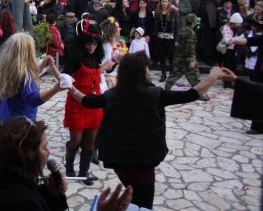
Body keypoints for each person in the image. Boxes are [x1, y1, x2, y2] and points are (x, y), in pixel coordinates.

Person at [70, 52, 224, 209]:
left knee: (133, 197)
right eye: (147, 68)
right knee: (144, 204)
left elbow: (86, 101)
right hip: (143, 163)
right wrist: (213, 76)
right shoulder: (155, 95)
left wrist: (70, 86)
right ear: (141, 72)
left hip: (118, 161)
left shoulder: (110, 95)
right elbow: (190, 95)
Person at [0, 116, 133, 211]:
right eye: (44, 148)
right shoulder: (21, 203)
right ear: (28, 155)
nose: (49, 153)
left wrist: (50, 193)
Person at [63, 19, 104, 185]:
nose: (91, 47)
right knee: (75, 140)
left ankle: (83, 172)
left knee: (90, 141)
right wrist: (74, 91)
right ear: (82, 42)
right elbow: (65, 80)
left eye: (94, 43)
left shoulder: (97, 58)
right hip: (77, 104)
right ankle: (69, 167)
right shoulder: (75, 58)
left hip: (95, 105)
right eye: (88, 43)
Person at [0, 33, 64, 124]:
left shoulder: (8, 68)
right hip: (21, 122)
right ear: (28, 52)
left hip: (7, 117)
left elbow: (22, 84)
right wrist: (55, 89)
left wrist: (41, 67)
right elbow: (33, 100)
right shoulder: (25, 75)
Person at [164, 14, 210, 100]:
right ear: (193, 22)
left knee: (173, 76)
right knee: (194, 78)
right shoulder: (191, 33)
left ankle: (166, 91)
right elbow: (190, 48)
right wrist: (191, 60)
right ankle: (200, 95)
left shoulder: (182, 30)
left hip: (178, 59)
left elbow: (177, 43)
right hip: (186, 61)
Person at [191, 0, 221, 65]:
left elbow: (219, 2)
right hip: (198, 23)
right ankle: (196, 57)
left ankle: (208, 58)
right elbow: (192, 9)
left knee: (209, 40)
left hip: (209, 23)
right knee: (197, 39)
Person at [154, 0, 178, 83]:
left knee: (171, 56)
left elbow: (176, 26)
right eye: (163, 2)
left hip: (170, 37)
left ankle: (171, 74)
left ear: (168, 3)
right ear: (160, 3)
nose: (164, 3)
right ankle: (163, 74)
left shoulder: (173, 12)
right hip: (161, 37)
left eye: (166, 2)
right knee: (162, 56)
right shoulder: (158, 12)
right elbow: (156, 25)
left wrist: (176, 39)